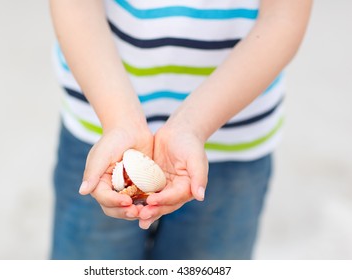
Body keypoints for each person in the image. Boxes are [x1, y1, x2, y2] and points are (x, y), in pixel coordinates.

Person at [49, 0, 312, 259]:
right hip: (102, 130)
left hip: (232, 140)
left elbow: (283, 17)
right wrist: (118, 120)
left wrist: (193, 125)